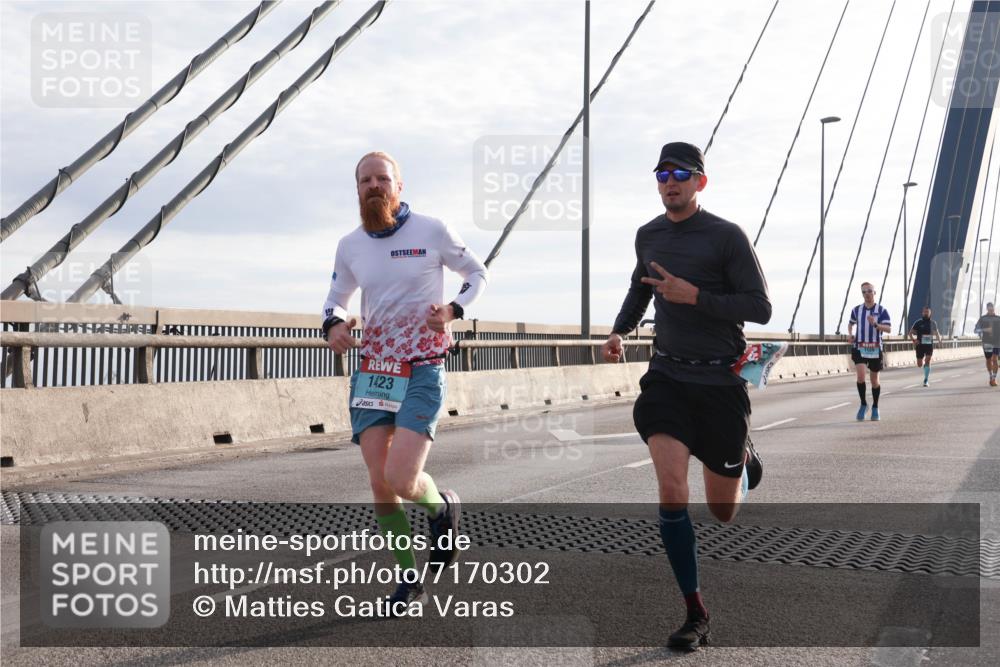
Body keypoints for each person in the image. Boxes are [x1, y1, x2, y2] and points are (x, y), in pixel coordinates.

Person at [601, 141, 772, 651]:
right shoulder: (648, 235)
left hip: (720, 383)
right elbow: (641, 287)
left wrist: (695, 296)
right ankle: (695, 612)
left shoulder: (726, 237)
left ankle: (739, 459)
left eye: (680, 173)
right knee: (672, 492)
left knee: (723, 512)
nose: (669, 181)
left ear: (700, 181)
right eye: (661, 174)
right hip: (668, 378)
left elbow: (759, 307)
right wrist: (620, 331)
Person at [321, 151, 488, 612]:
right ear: (357, 189)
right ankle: (409, 578)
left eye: (382, 179)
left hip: (423, 366)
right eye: (365, 180)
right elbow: (335, 298)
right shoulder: (350, 244)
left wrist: (452, 311)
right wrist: (334, 325)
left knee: (401, 478)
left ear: (399, 186)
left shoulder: (432, 230)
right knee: (379, 482)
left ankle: (440, 508)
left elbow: (477, 273)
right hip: (375, 369)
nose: (374, 186)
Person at [847, 283, 891, 421]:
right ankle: (863, 404)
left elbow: (888, 329)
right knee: (860, 377)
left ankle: (875, 407)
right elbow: (851, 323)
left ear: (874, 292)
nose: (867, 294)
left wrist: (876, 325)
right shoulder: (856, 310)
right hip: (859, 346)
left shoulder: (882, 310)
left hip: (875, 348)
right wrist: (850, 334)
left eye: (869, 291)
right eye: (864, 292)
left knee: (874, 381)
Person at [908, 306, 942, 386]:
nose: (926, 313)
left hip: (929, 345)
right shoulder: (918, 322)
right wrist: (914, 340)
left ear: (930, 313)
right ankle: (925, 367)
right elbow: (910, 333)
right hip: (920, 345)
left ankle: (926, 380)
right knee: (919, 364)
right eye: (925, 312)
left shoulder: (933, 323)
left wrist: (940, 340)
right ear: (922, 313)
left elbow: (937, 333)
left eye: (927, 312)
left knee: (928, 360)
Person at [973, 302, 1000, 386]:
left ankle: (993, 379)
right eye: (989, 308)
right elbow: (975, 330)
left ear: (994, 308)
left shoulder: (998, 318)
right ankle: (991, 376)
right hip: (987, 342)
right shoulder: (983, 318)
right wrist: (985, 329)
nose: (991, 310)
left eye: (992, 308)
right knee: (988, 360)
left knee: (995, 359)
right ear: (987, 309)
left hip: (997, 342)